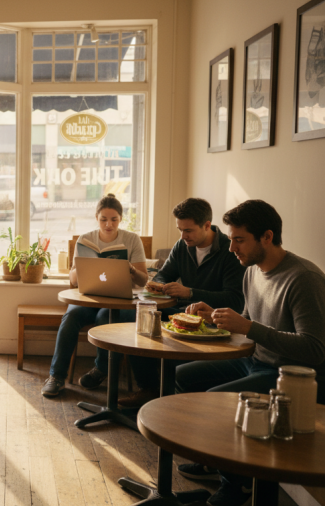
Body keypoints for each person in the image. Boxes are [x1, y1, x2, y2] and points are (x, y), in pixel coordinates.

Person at [174, 200, 325, 506]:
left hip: (286, 376)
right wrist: (213, 316)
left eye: (239, 240)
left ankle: (236, 486)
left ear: (267, 237)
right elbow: (246, 320)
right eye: (231, 239)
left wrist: (249, 326)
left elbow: (315, 348)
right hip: (254, 362)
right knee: (182, 376)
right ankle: (216, 462)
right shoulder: (252, 272)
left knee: (216, 399)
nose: (232, 249)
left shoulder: (303, 278)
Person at [117, 198, 246, 407]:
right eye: (180, 230)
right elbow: (163, 275)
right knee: (135, 317)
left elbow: (234, 299)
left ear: (207, 225)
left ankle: (170, 397)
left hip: (214, 318)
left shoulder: (230, 251)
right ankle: (148, 389)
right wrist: (158, 285)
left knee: (161, 330)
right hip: (184, 312)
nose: (183, 236)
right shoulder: (182, 246)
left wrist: (190, 292)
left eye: (188, 230)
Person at [41, 194, 149, 397]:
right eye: (103, 219)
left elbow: (143, 282)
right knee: (71, 316)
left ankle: (100, 369)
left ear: (121, 218)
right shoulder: (86, 240)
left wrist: (131, 270)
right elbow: (73, 281)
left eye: (114, 219)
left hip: (120, 300)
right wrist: (79, 268)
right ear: (96, 218)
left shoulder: (132, 240)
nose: (109, 224)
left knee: (104, 317)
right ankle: (56, 376)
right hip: (89, 296)